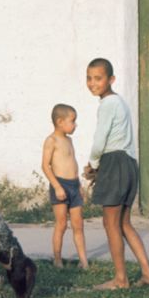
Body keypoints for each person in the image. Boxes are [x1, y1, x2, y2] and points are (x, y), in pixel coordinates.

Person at [83, 58, 149, 290]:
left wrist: (93, 164)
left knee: (110, 224)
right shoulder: (121, 103)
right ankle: (148, 273)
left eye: (98, 78)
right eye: (89, 78)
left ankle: (120, 279)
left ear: (111, 80)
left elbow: (100, 140)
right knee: (124, 223)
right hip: (128, 164)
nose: (92, 83)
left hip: (114, 162)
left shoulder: (107, 104)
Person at [41, 103, 88, 269]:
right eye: (72, 121)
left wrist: (80, 185)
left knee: (78, 225)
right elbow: (45, 166)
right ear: (60, 121)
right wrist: (57, 187)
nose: (75, 125)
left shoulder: (69, 140)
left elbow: (73, 163)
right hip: (60, 184)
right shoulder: (51, 140)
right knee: (61, 224)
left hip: (74, 185)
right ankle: (58, 259)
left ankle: (84, 262)